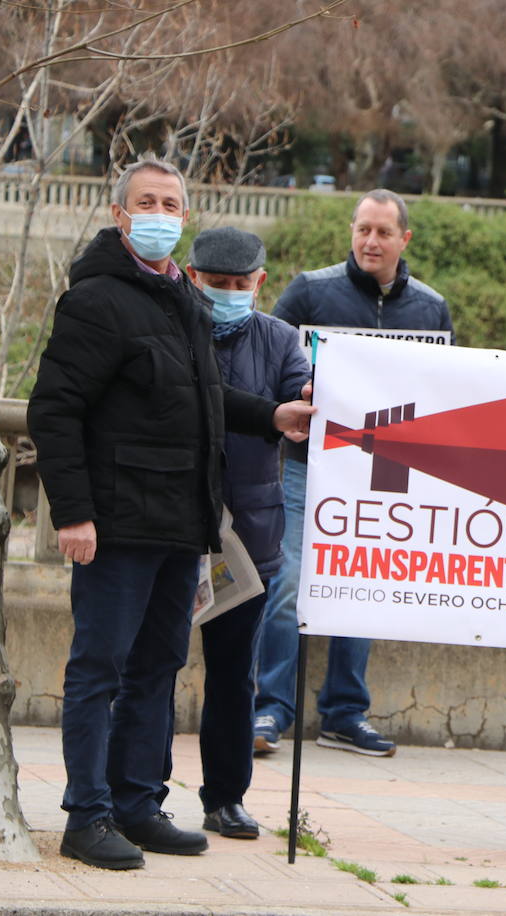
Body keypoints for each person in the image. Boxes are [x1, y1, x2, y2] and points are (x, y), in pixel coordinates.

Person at [28, 158, 315, 870]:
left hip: (181, 524)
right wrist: (73, 513)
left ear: (183, 217)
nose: (159, 212)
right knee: (101, 669)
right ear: (122, 215)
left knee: (157, 667)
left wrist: (273, 415)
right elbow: (55, 410)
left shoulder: (180, 298)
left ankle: (137, 803)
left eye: (171, 202)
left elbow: (208, 401)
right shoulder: (96, 300)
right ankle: (86, 814)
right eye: (146, 202)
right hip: (118, 524)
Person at [252, 188, 453, 758]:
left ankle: (344, 712)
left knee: (361, 585)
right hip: (303, 464)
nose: (371, 241)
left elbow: (444, 388)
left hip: (379, 472)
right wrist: (297, 393)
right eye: (363, 229)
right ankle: (270, 708)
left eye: (383, 232)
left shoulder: (431, 307)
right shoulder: (310, 291)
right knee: (287, 583)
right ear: (351, 231)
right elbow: (265, 358)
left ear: (404, 239)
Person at [182, 228, 309, 838]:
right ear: (191, 276)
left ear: (261, 283)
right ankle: (139, 790)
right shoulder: (172, 329)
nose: (229, 294)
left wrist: (310, 406)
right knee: (148, 667)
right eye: (217, 285)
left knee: (236, 673)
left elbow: (297, 403)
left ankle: (225, 796)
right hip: (174, 524)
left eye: (241, 285)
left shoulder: (284, 340)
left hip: (250, 537)